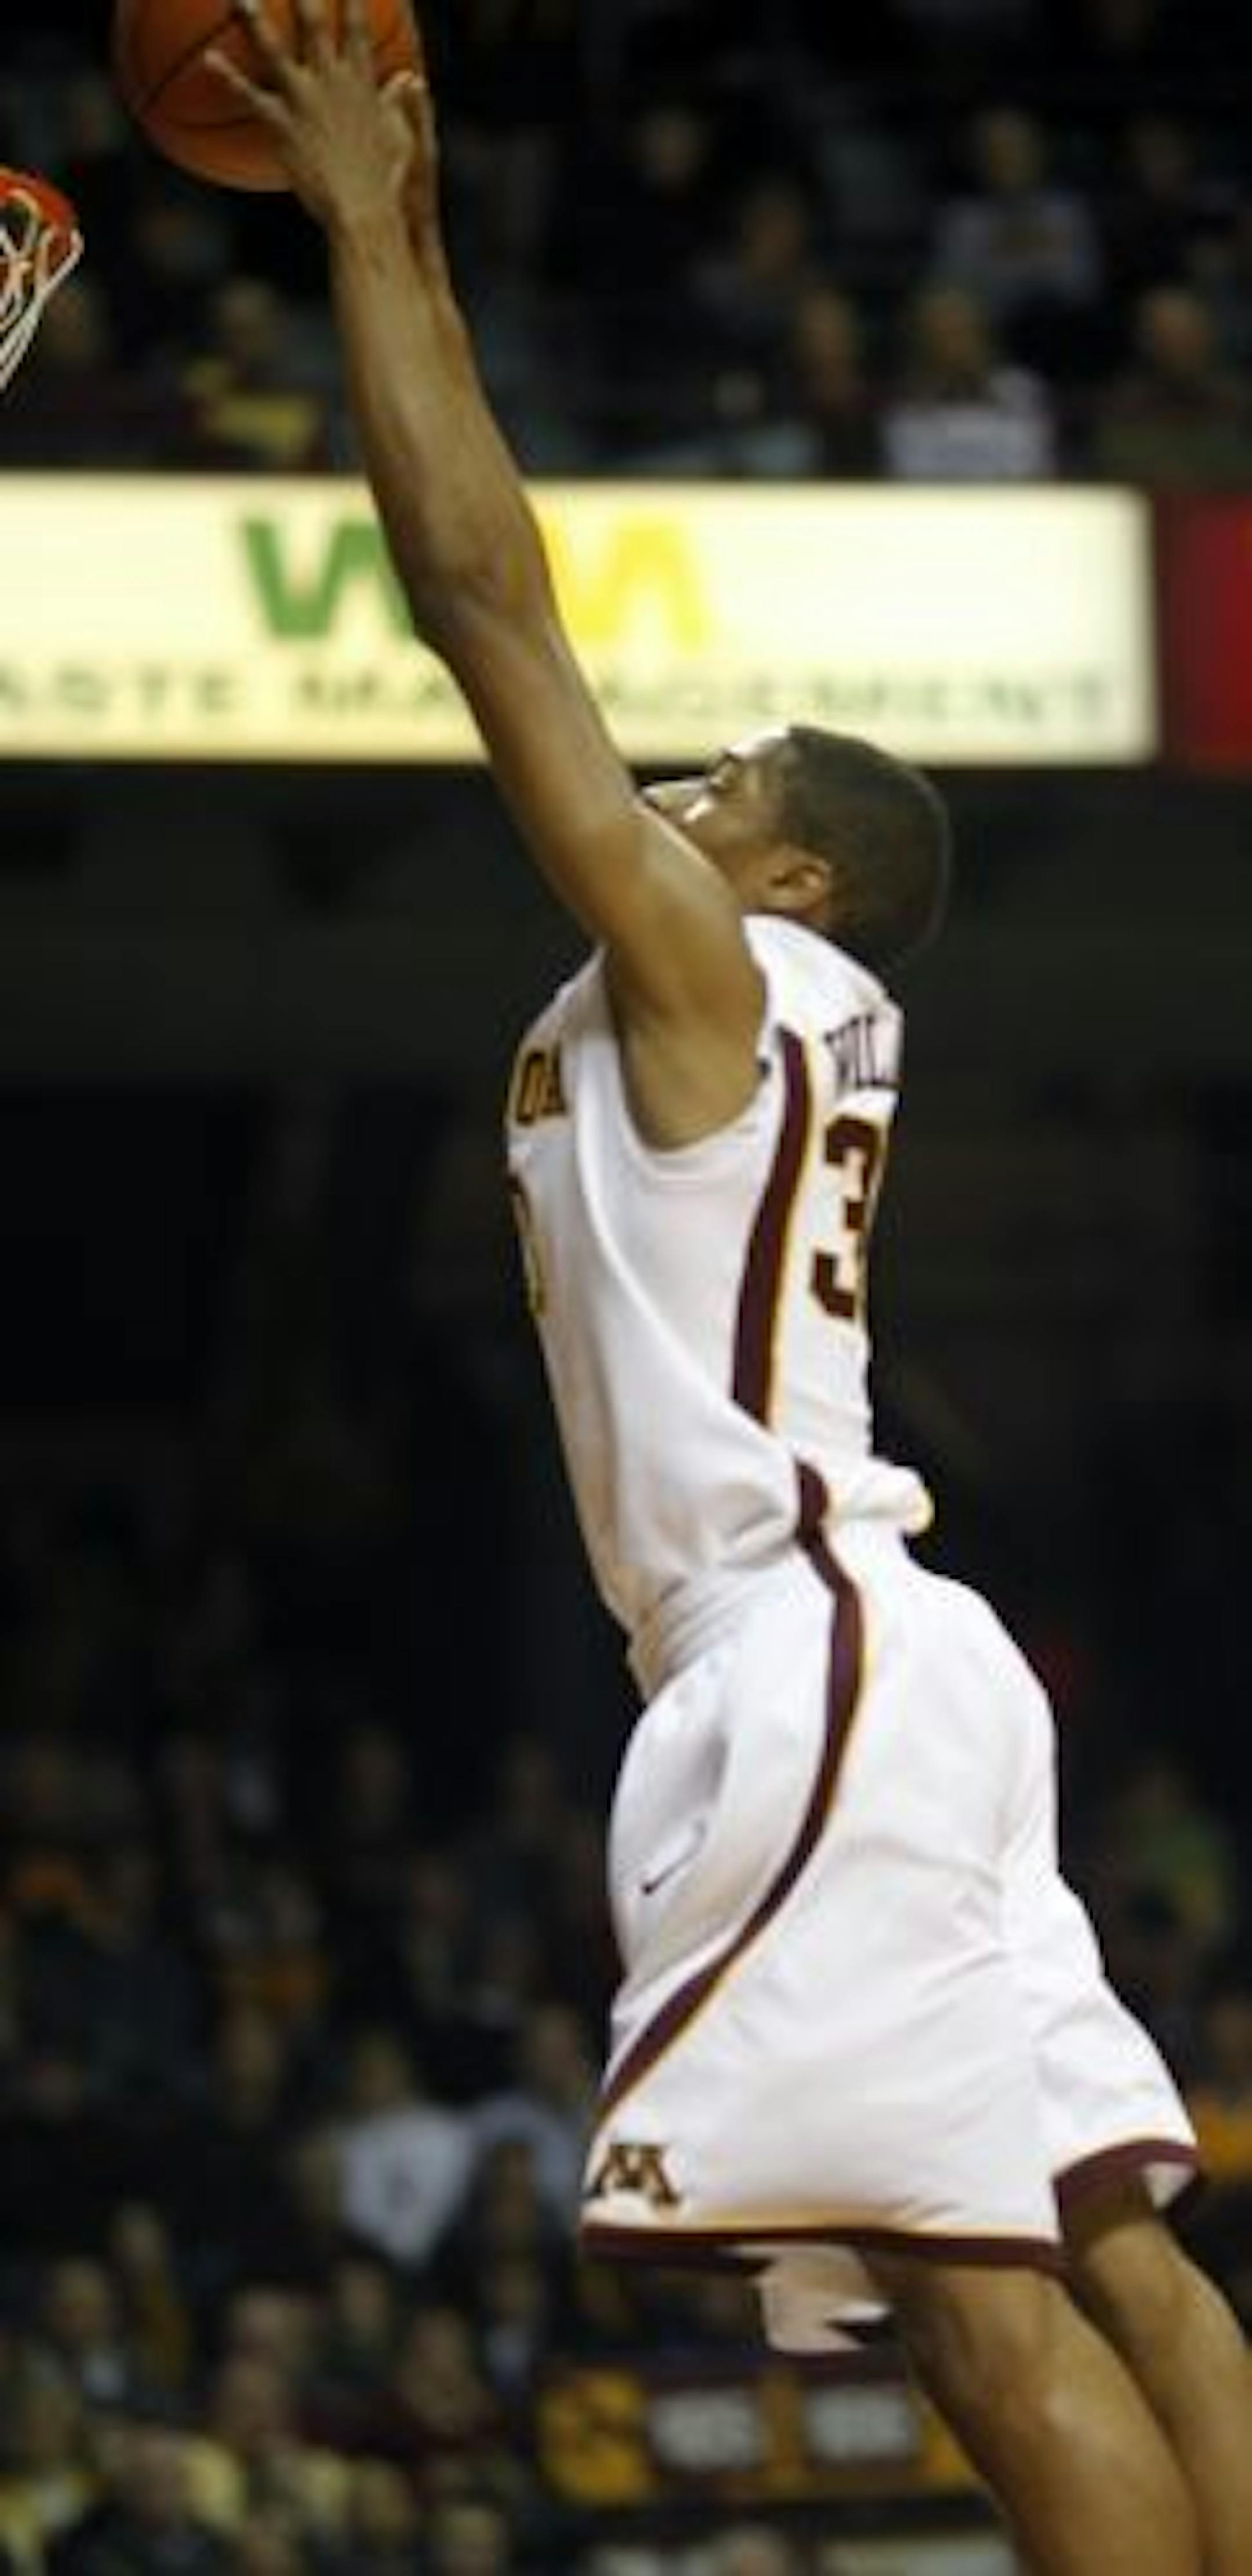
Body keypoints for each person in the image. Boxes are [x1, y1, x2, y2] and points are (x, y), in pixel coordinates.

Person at [213, 8, 1252, 2570]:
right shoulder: (762, 1008)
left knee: (983, 2298)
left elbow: (480, 603)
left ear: (788, 882)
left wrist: (372, 227)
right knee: (1116, 2256)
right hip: (895, 1650)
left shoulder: (715, 978)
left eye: (735, 781)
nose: (684, 783)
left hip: (803, 1656)